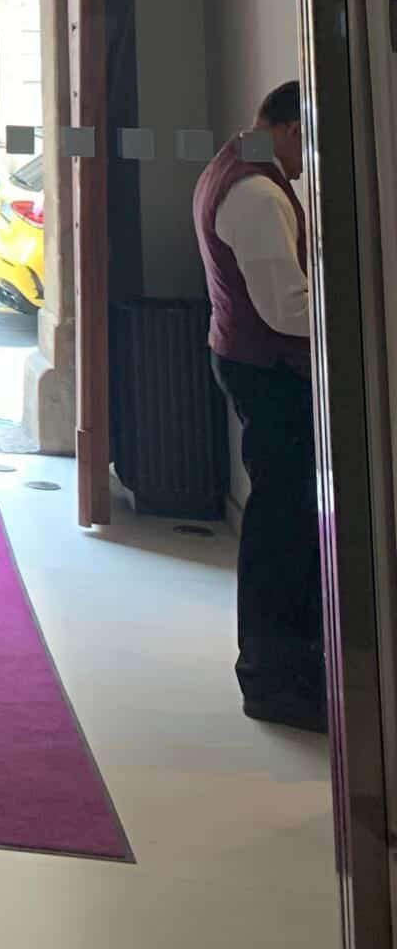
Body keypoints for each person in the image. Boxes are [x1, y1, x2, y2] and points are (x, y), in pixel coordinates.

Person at [191, 81, 325, 732]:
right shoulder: (258, 193)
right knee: (282, 527)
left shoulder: (232, 163)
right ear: (292, 128)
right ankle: (274, 678)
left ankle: (286, 667)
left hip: (246, 358)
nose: (307, 164)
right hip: (269, 370)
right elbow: (286, 310)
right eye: (310, 144)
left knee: (283, 519)